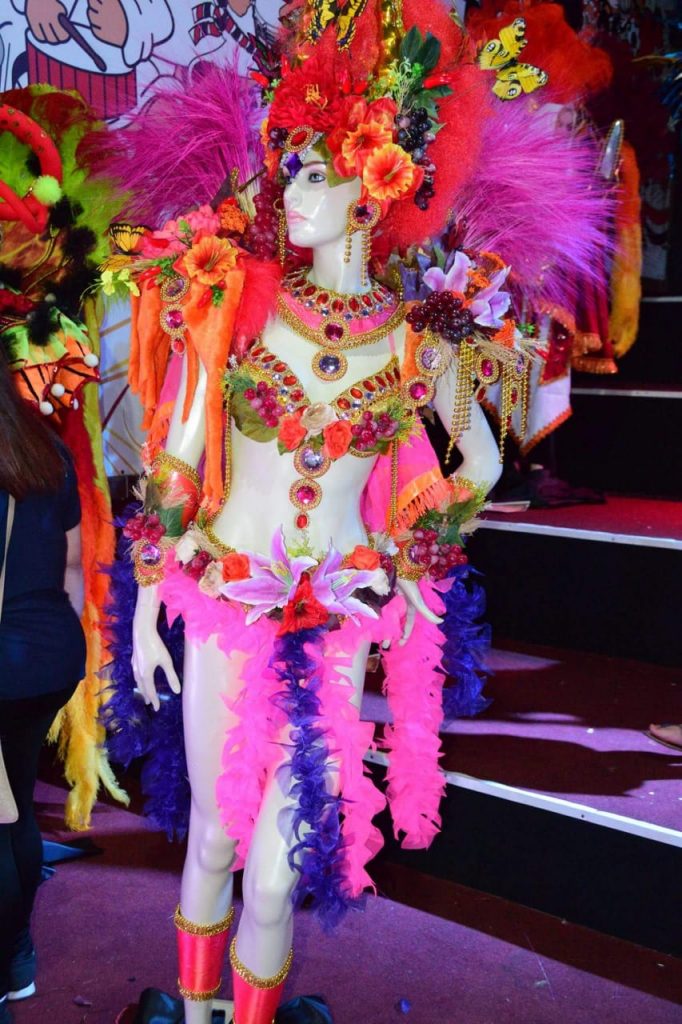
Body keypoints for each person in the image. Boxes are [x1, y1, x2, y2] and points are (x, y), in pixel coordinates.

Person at [101, 3, 611, 1020]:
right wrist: (150, 596)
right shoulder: (239, 301)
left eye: (316, 175)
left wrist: (419, 557)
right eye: (289, 170)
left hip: (338, 616)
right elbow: (181, 452)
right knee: (216, 839)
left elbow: (473, 461)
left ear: (374, 189)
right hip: (226, 599)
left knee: (278, 873)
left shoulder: (418, 338)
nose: (292, 194)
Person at [0, 344, 86, 1024]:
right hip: (51, 657)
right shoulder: (45, 447)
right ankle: (17, 958)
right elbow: (74, 566)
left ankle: (4, 966)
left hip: (8, 663)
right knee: (16, 804)